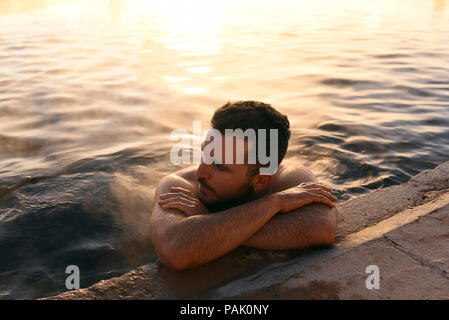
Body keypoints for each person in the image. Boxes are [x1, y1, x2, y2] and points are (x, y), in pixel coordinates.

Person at [149, 101, 338, 271]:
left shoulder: (286, 177)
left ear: (261, 180)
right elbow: (175, 251)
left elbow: (322, 227)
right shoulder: (179, 185)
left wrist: (207, 220)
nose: (200, 173)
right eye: (205, 154)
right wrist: (275, 203)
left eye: (220, 166)